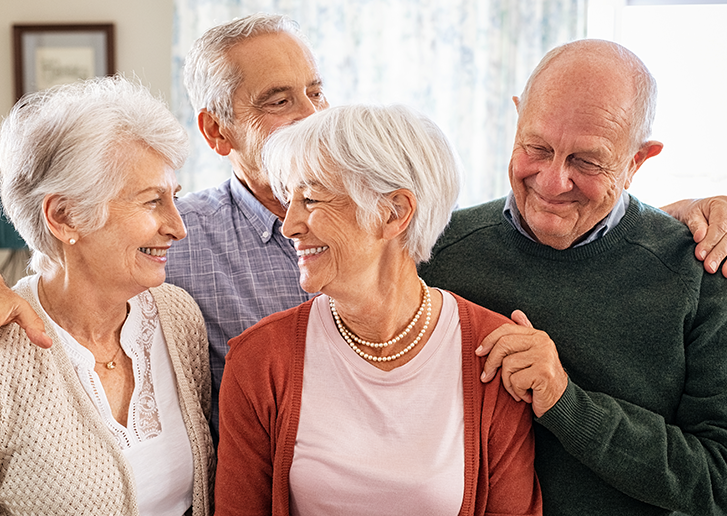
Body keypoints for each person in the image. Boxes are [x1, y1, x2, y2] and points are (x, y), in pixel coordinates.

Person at [0, 14, 727, 431]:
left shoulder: (408, 237)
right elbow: (70, 282)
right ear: (215, 133)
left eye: (315, 90)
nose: (311, 114)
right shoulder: (174, 244)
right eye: (278, 101)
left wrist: (677, 216)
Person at [417, 39, 727, 514]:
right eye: (536, 147)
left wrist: (566, 402)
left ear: (636, 162)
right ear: (517, 118)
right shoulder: (434, 253)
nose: (552, 181)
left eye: (586, 161)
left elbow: (717, 479)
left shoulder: (701, 272)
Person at [0, 77, 214, 515]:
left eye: (173, 198)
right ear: (65, 217)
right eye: (151, 202)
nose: (178, 226)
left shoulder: (178, 316)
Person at [216, 103, 541, 515]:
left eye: (311, 198)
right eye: (289, 199)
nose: (289, 225)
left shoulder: (492, 354)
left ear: (393, 213)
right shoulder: (260, 360)